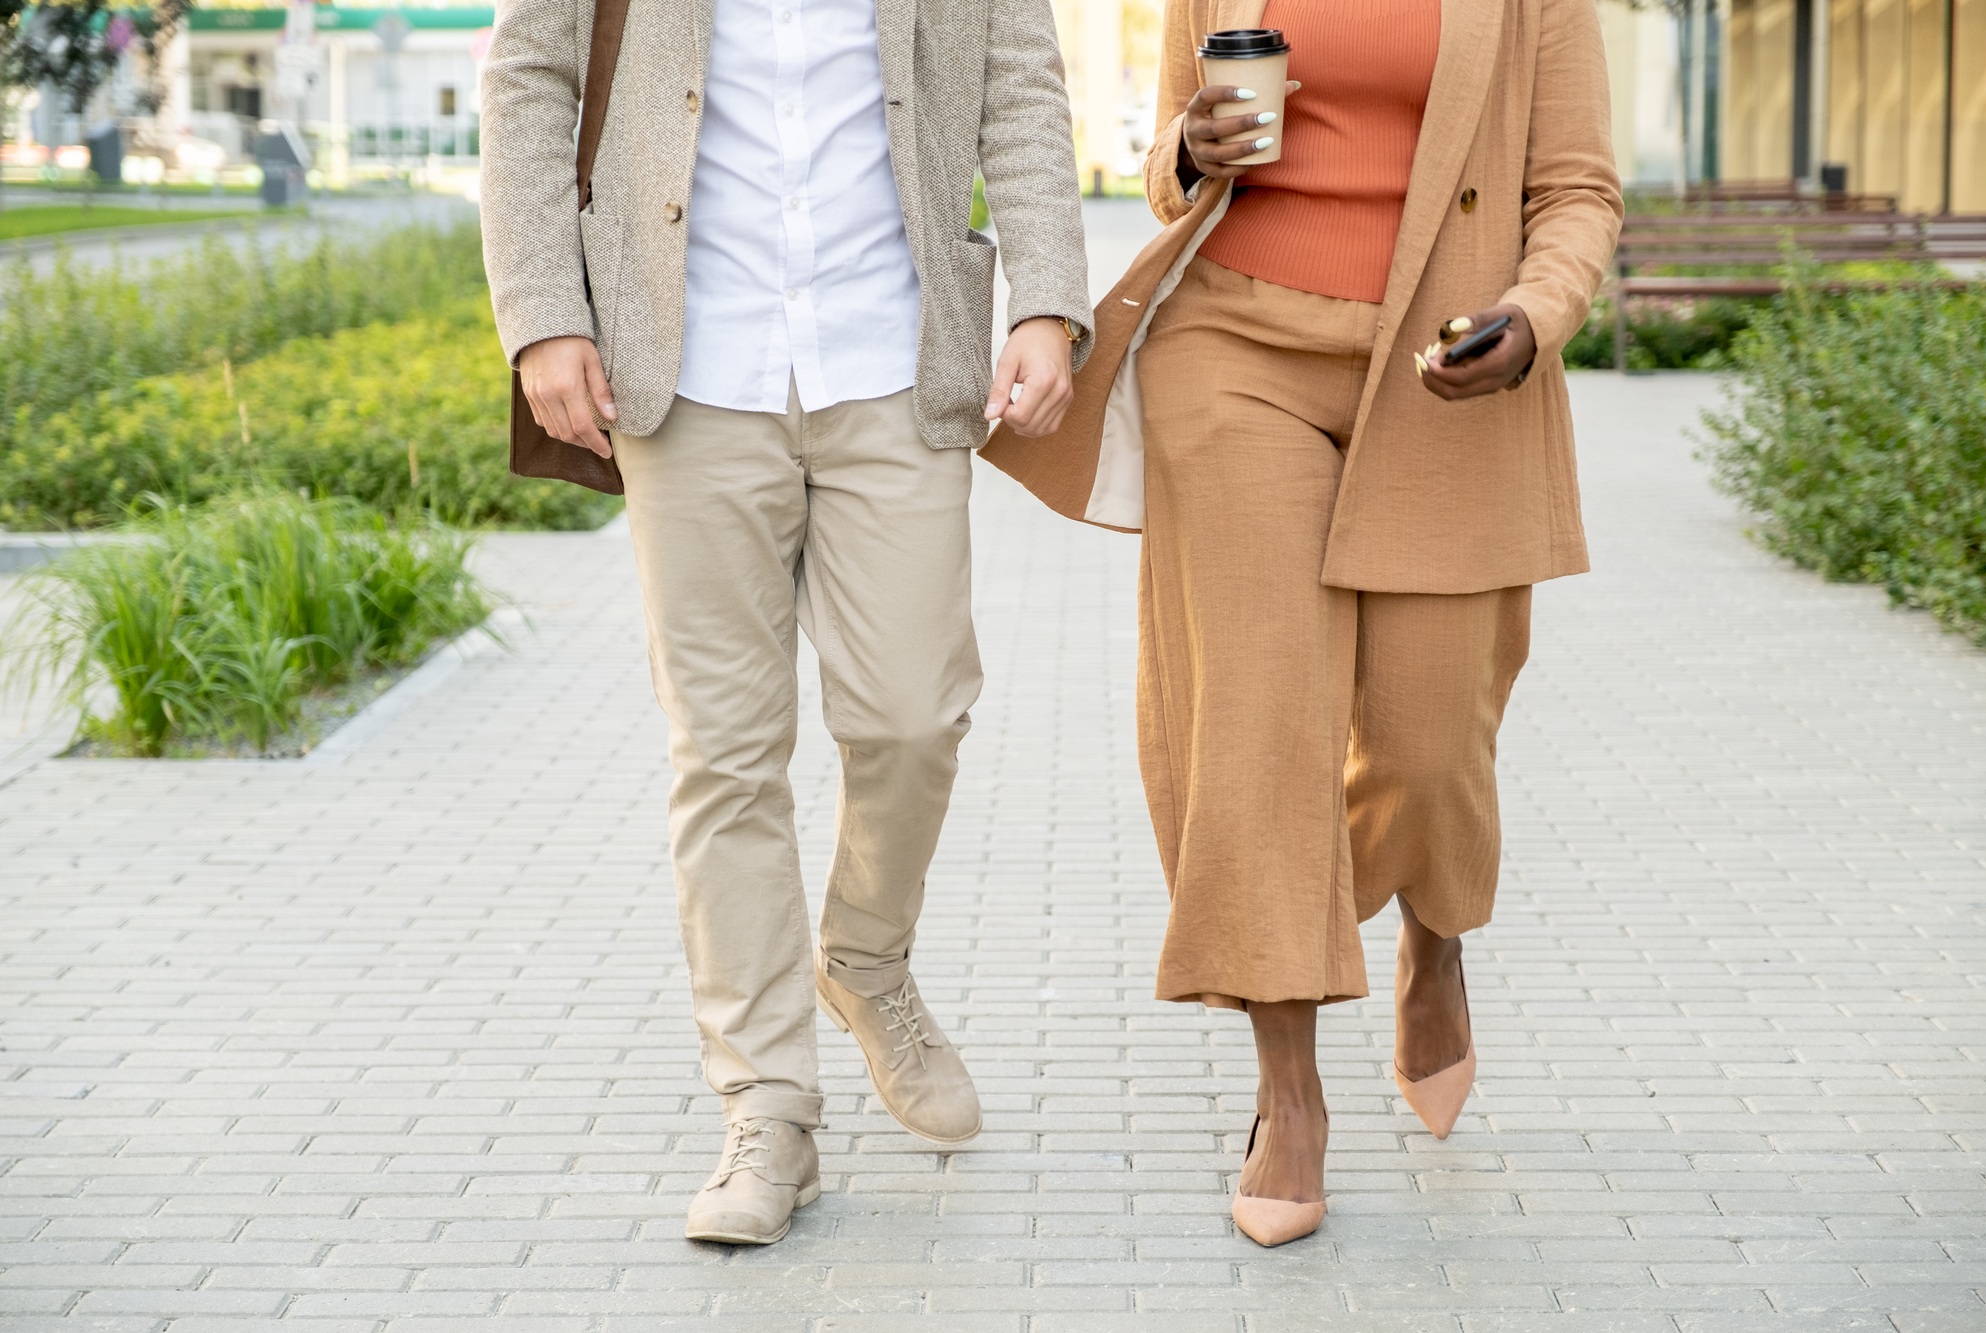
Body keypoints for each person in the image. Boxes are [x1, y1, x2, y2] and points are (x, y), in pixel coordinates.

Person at [981, 0, 1620, 1247]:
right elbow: (1171, 168)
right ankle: (1289, 1094)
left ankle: (1432, 938)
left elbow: (1578, 187)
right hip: (1232, 348)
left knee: (1432, 743)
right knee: (1256, 728)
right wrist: (1188, 152)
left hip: (1443, 367)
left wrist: (1535, 316)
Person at [479, 0, 1092, 1245]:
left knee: (915, 714)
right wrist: (542, 311)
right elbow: (528, 82)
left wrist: (1046, 300)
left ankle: (864, 956)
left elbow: (1020, 89)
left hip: (893, 351)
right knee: (725, 754)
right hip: (687, 364)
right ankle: (768, 1108)